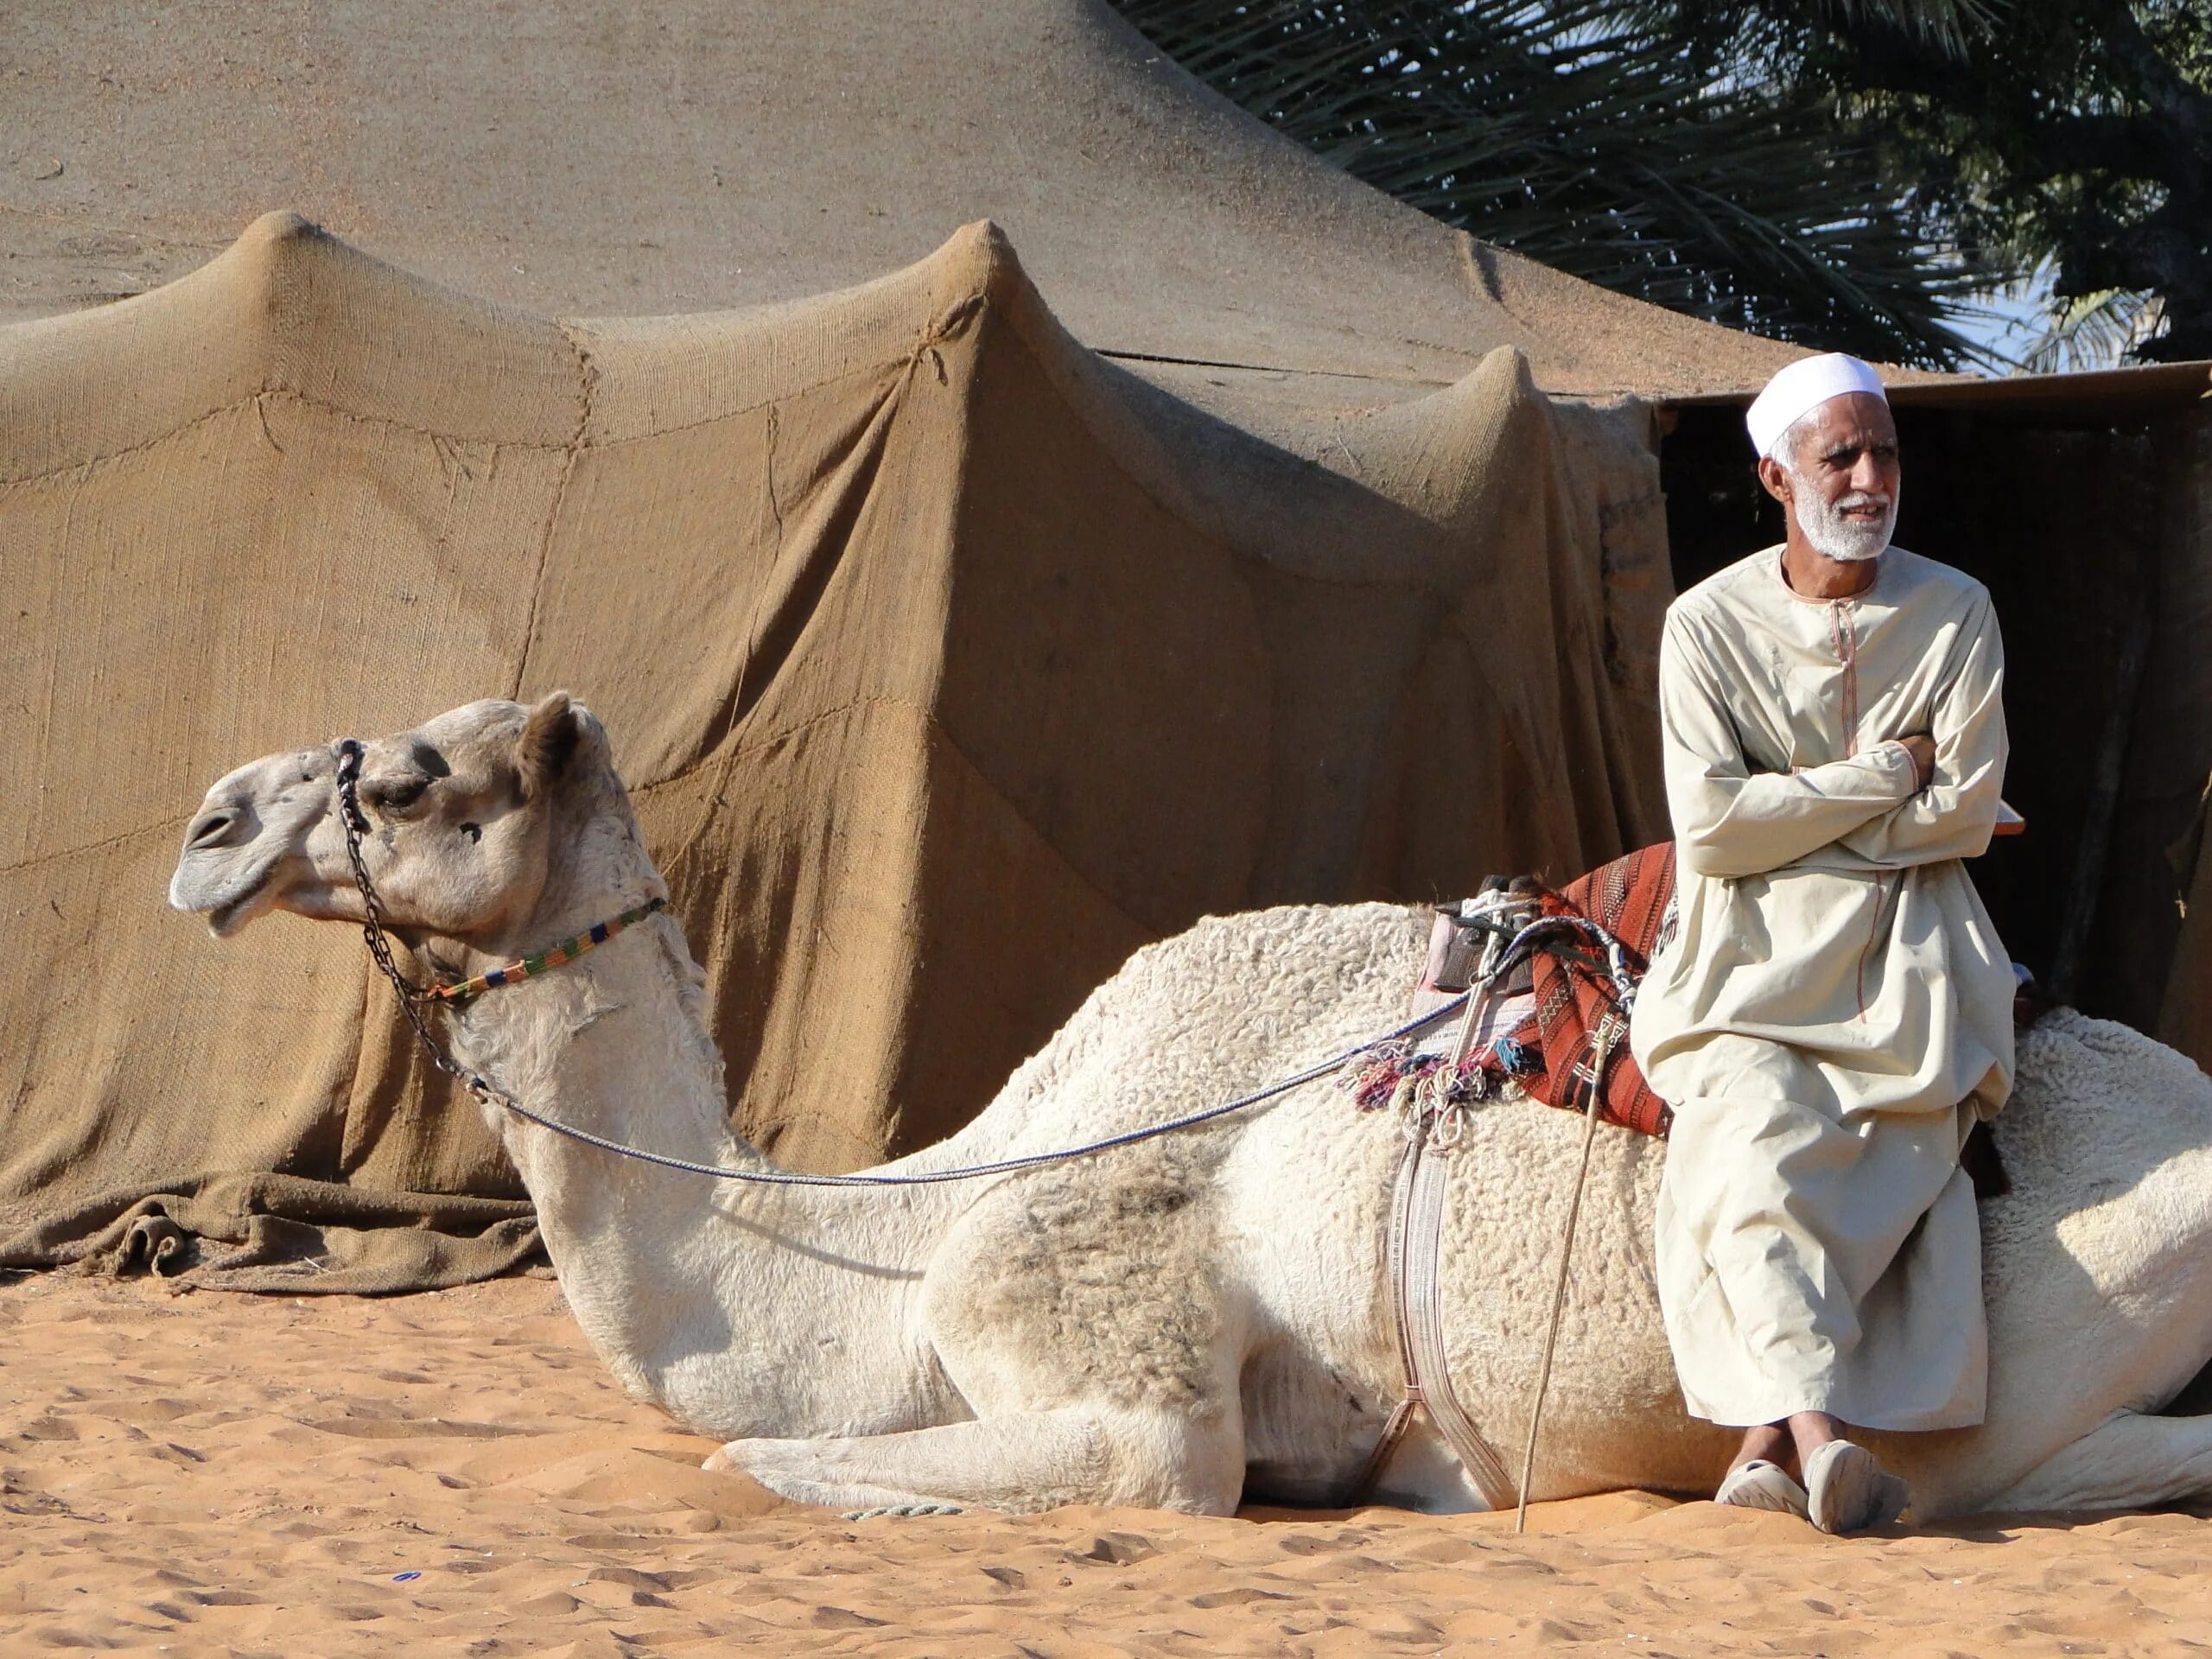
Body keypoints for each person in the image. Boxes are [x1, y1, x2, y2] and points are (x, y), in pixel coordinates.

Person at [1628, 353, 2016, 1534]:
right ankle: (1819, 1431)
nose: (1866, 477)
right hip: (1741, 973)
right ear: (1773, 475)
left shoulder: (1957, 610)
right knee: (1747, 1141)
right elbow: (1710, 831)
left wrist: (1793, 816)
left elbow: (1971, 810)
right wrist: (1887, 775)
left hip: (1915, 965)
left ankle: (1766, 1443)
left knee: (1888, 1156)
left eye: (1882, 451)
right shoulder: (1703, 629)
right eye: (1838, 455)